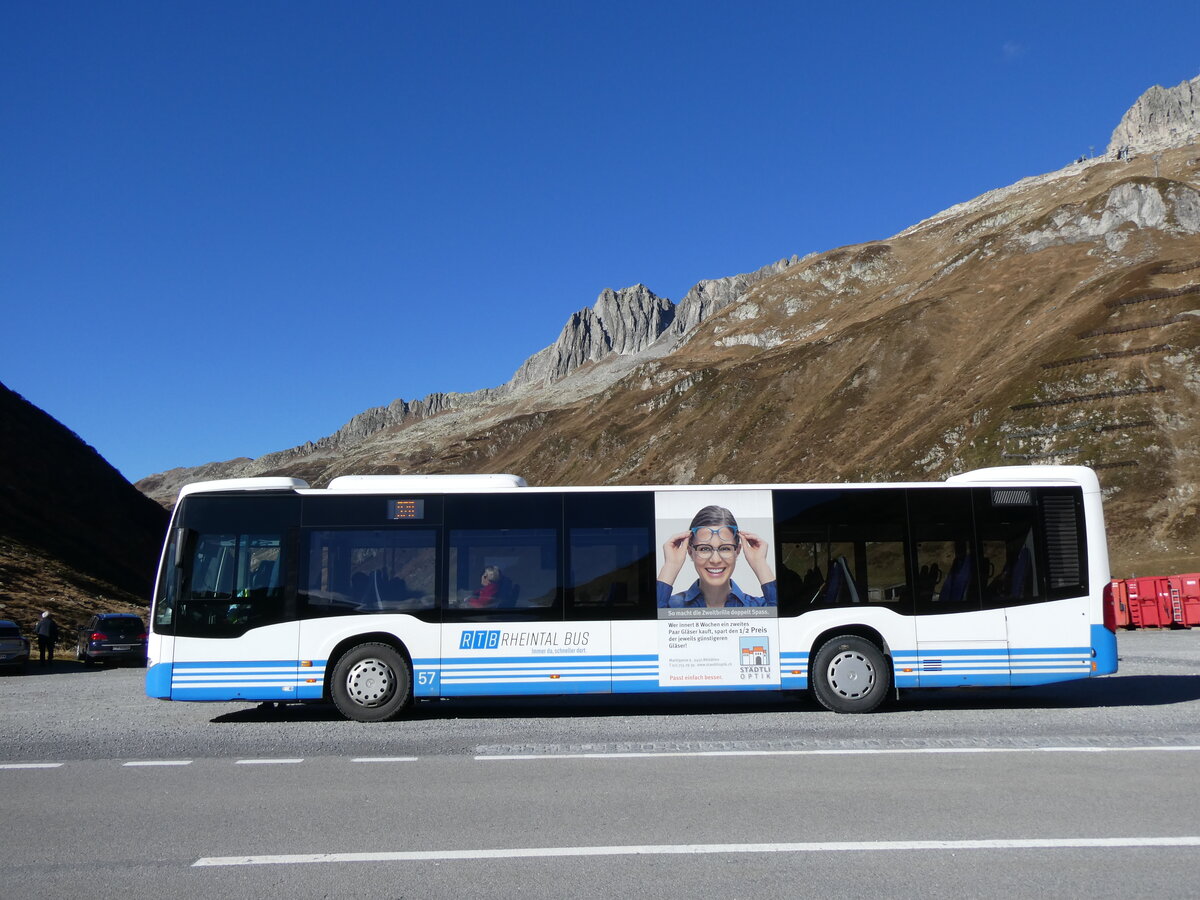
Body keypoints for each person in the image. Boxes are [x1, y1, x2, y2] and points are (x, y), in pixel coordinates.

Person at [657, 506, 777, 608]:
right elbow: (648, 625)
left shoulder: (758, 607)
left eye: (725, 548)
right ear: (690, 552)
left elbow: (784, 621)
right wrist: (670, 566)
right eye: (704, 549)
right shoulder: (670, 606)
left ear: (738, 551)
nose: (715, 560)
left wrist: (760, 563)